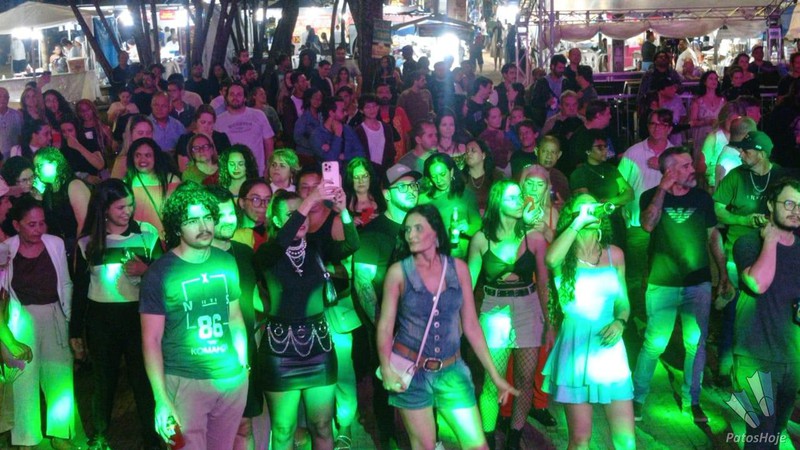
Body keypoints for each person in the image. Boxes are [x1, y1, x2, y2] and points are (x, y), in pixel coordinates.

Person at [377, 204, 518, 450]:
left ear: (436, 232)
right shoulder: (398, 272)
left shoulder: (458, 269)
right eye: (407, 230)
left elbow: (471, 326)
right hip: (411, 370)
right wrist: (387, 368)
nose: (411, 235)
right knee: (425, 446)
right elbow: (385, 326)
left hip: (452, 370)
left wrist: (496, 376)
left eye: (418, 228)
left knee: (477, 446)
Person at [140, 183, 249, 449]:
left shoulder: (226, 261)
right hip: (185, 380)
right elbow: (151, 340)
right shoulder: (159, 273)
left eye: (207, 217)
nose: (203, 226)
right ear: (177, 227)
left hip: (230, 379)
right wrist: (161, 399)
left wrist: (242, 365)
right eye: (191, 220)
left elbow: (234, 317)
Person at [253, 184, 358, 450]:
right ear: (277, 221)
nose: (300, 218)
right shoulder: (267, 253)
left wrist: (344, 211)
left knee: (322, 425)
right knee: (283, 430)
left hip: (318, 347)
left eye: (303, 212)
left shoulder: (316, 248)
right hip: (279, 351)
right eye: (290, 214)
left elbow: (352, 244)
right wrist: (310, 200)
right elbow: (281, 242)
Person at [632, 147, 730, 424]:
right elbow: (648, 225)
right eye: (685, 166)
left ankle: (692, 400)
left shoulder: (702, 198)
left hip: (698, 282)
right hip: (662, 283)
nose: (692, 170)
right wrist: (663, 190)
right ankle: (637, 397)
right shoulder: (650, 196)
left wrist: (723, 273)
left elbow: (713, 237)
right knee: (654, 342)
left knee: (695, 344)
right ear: (669, 171)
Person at [71, 179, 162, 450]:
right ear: (104, 209)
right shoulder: (88, 242)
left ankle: (152, 437)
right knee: (104, 381)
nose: (128, 211)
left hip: (138, 317)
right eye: (120, 207)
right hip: (101, 320)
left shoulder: (147, 234)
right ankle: (100, 435)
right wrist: (75, 331)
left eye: (130, 205)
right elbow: (80, 290)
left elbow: (166, 275)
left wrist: (146, 270)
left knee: (142, 380)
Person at [542, 193, 635, 449]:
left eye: (594, 205)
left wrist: (620, 322)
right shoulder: (564, 255)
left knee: (626, 440)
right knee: (580, 440)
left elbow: (623, 302)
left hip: (609, 348)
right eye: (583, 206)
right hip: (576, 346)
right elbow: (550, 260)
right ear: (573, 215)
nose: (592, 209)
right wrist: (578, 222)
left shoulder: (614, 255)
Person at [468, 180, 551, 450]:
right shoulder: (481, 239)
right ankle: (489, 438)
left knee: (526, 379)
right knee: (493, 380)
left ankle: (514, 438)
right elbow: (468, 284)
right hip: (494, 308)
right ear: (497, 202)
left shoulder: (533, 238)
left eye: (520, 196)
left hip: (528, 306)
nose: (520, 201)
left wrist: (548, 321)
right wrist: (462, 320)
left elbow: (543, 283)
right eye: (512, 197)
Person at [352, 164, 420, 448]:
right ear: (387, 194)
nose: (412, 191)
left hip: (420, 324)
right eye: (403, 187)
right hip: (388, 325)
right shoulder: (374, 233)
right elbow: (363, 283)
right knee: (386, 388)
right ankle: (388, 439)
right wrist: (384, 327)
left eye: (414, 185)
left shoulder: (422, 226)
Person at [4, 195, 76, 449]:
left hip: (53, 313)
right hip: (22, 318)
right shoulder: (7, 249)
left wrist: (68, 318)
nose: (38, 229)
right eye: (31, 224)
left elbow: (65, 282)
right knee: (24, 377)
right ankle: (26, 437)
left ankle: (60, 433)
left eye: (41, 223)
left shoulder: (54, 244)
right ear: (17, 225)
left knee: (59, 373)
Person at [732, 177, 800, 447]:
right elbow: (758, 284)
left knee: (775, 435)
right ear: (771, 204)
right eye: (789, 203)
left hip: (792, 358)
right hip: (754, 358)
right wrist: (770, 240)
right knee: (759, 438)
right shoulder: (749, 243)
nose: (796, 211)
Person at [205, 185, 265, 450]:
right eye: (220, 216)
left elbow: (257, 298)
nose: (228, 220)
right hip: (209, 357)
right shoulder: (196, 259)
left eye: (231, 213)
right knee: (211, 429)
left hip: (244, 353)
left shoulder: (244, 253)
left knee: (244, 425)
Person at [569, 131, 634, 247]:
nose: (604, 150)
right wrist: (618, 201)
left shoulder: (611, 169)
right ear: (588, 151)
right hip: (596, 226)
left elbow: (630, 194)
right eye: (599, 147)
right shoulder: (580, 173)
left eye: (605, 146)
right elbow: (586, 203)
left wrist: (611, 202)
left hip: (617, 225)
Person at [418, 153, 482, 259]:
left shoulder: (466, 195)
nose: (439, 180)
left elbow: (478, 227)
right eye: (434, 176)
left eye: (442, 174)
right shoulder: (423, 199)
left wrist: (467, 228)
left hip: (463, 257)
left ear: (451, 172)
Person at [32, 147, 91, 255]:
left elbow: (85, 224)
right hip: (59, 247)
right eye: (35, 167)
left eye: (39, 166)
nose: (36, 171)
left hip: (76, 247)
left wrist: (77, 251)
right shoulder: (49, 190)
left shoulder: (74, 185)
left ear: (54, 164)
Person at [123, 138, 181, 239]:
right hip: (140, 239)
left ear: (155, 157)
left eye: (147, 155)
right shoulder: (127, 183)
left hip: (170, 238)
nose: (142, 160)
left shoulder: (172, 180)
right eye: (138, 155)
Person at [215, 82, 275, 175]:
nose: (235, 97)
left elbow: (269, 143)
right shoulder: (218, 121)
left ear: (245, 98)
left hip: (257, 172)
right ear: (226, 97)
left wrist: (268, 167)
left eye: (239, 94)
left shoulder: (259, 115)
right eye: (232, 94)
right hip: (232, 173)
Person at [175, 105, 231, 172]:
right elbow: (184, 169)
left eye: (210, 123)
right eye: (203, 122)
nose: (206, 126)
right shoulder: (185, 140)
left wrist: (210, 140)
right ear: (196, 122)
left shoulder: (222, 138)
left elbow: (227, 164)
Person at [311, 96, 365, 163]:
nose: (346, 113)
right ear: (331, 113)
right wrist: (337, 135)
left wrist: (345, 156)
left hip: (348, 169)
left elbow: (361, 153)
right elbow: (330, 160)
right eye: (342, 111)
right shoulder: (317, 135)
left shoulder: (348, 129)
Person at [356, 94, 397, 173]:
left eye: (374, 106)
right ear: (361, 110)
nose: (372, 110)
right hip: (367, 171)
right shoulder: (359, 131)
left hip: (386, 171)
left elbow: (391, 152)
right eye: (368, 107)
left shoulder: (386, 128)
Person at [690, 71, 726, 161]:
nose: (714, 81)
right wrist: (706, 122)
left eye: (716, 79)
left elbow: (726, 119)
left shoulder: (723, 101)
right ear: (704, 82)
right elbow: (692, 122)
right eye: (711, 78)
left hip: (718, 136)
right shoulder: (698, 101)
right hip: (702, 136)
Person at [58, 118, 105, 185]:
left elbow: (100, 165)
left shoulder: (90, 143)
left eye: (70, 130)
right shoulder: (62, 151)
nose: (67, 134)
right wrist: (84, 177)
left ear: (77, 130)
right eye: (63, 131)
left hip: (96, 183)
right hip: (76, 185)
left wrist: (78, 146)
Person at [343, 157, 386, 228]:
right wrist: (349, 225)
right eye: (356, 177)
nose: (361, 181)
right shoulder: (343, 202)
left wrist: (381, 220)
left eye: (364, 176)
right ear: (351, 180)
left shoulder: (381, 198)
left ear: (370, 177)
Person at [529, 54, 568, 127]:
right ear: (552, 66)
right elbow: (534, 102)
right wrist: (546, 103)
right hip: (545, 120)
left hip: (563, 120)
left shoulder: (565, 82)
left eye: (563, 68)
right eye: (560, 68)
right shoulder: (542, 82)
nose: (562, 70)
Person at [232, 179, 271, 250]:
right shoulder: (231, 234)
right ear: (242, 203)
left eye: (268, 200)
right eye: (256, 199)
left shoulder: (273, 234)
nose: (263, 205)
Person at [0, 88, 23, 160]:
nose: (2, 99)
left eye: (5, 96)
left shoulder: (16, 115)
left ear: (8, 98)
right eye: (0, 96)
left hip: (13, 155)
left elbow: (20, 135)